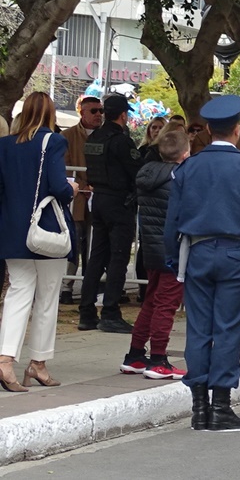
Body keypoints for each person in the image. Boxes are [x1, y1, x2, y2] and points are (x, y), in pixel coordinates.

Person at [165, 95, 240, 432]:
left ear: (209, 130)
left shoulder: (187, 168)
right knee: (227, 329)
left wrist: (173, 259)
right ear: (238, 129)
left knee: (199, 328)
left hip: (197, 253)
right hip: (235, 255)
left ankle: (199, 407)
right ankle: (220, 407)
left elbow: (172, 222)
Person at [0, 92, 79, 392]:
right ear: (50, 114)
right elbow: (59, 186)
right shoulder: (54, 141)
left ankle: (5, 360)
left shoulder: (4, 145)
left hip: (12, 230)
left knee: (17, 292)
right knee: (47, 297)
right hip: (47, 230)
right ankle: (38, 363)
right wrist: (72, 189)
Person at [121, 130, 190, 379]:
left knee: (151, 301)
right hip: (174, 249)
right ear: (186, 153)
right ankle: (158, 358)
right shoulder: (181, 178)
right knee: (166, 305)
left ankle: (135, 354)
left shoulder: (148, 174)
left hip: (150, 246)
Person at [78, 94, 143, 333]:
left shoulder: (94, 137)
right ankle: (110, 313)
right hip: (119, 202)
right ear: (123, 115)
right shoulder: (121, 141)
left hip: (99, 199)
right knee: (118, 258)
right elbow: (137, 172)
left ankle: (86, 313)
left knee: (97, 257)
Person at [60, 95, 102, 304]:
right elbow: (64, 168)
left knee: (95, 245)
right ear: (82, 112)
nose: (98, 115)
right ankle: (66, 286)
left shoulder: (107, 136)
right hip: (76, 199)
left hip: (99, 198)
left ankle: (92, 284)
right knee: (73, 242)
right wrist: (83, 185)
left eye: (101, 111)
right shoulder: (66, 136)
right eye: (93, 111)